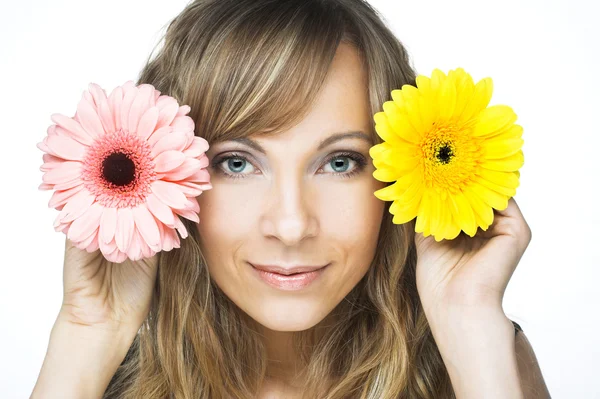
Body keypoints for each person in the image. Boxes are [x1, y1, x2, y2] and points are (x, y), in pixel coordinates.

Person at [30, 0, 552, 398]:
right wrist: (87, 332)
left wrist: (469, 325)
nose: (291, 224)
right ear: (163, 179)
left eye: (340, 162)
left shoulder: (487, 362)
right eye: (236, 163)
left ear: (403, 177)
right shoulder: (97, 376)